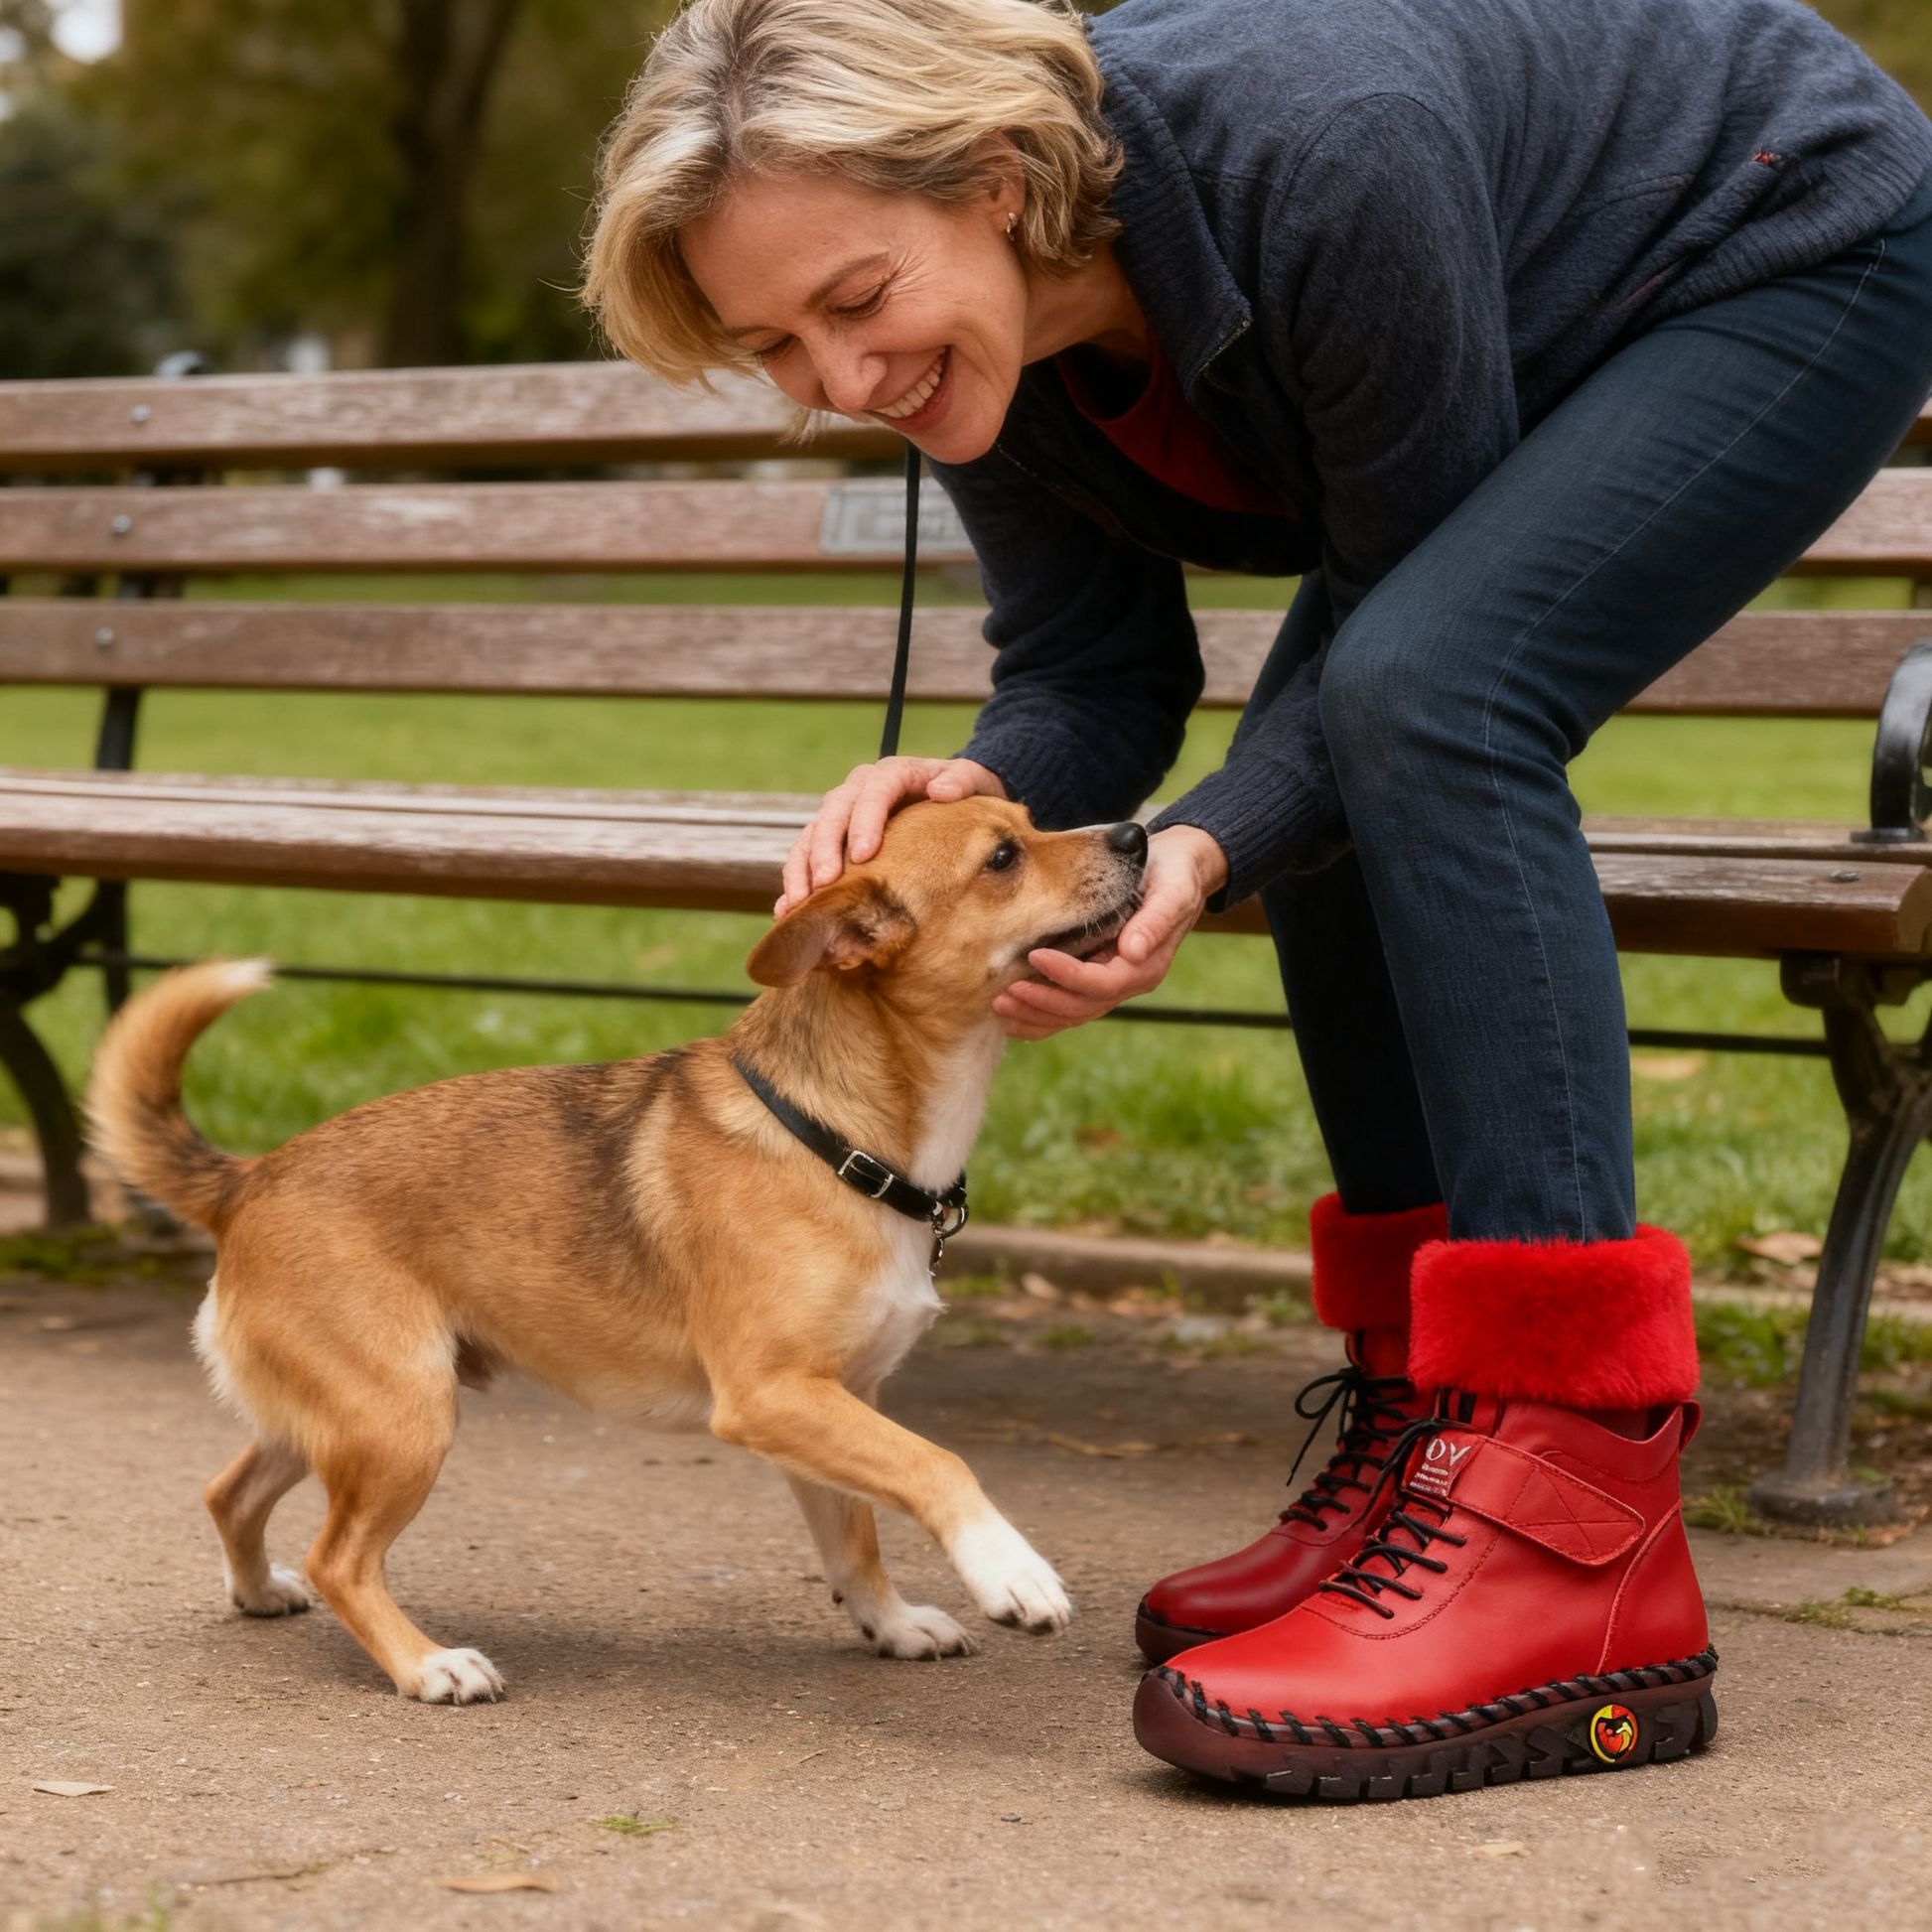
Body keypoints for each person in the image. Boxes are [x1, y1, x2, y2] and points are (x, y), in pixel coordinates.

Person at [584, 0, 1932, 1793]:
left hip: (1782, 232)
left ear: (994, 180)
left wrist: (1203, 842)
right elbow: (1087, 668)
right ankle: (1432, 1425)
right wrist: (973, 799)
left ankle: (1570, 1512)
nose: (842, 381)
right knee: (1360, 730)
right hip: (1551, 307)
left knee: (1421, 702)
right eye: (776, 345)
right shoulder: (975, 352)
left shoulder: (1319, 153)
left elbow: (1401, 644)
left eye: (853, 301)